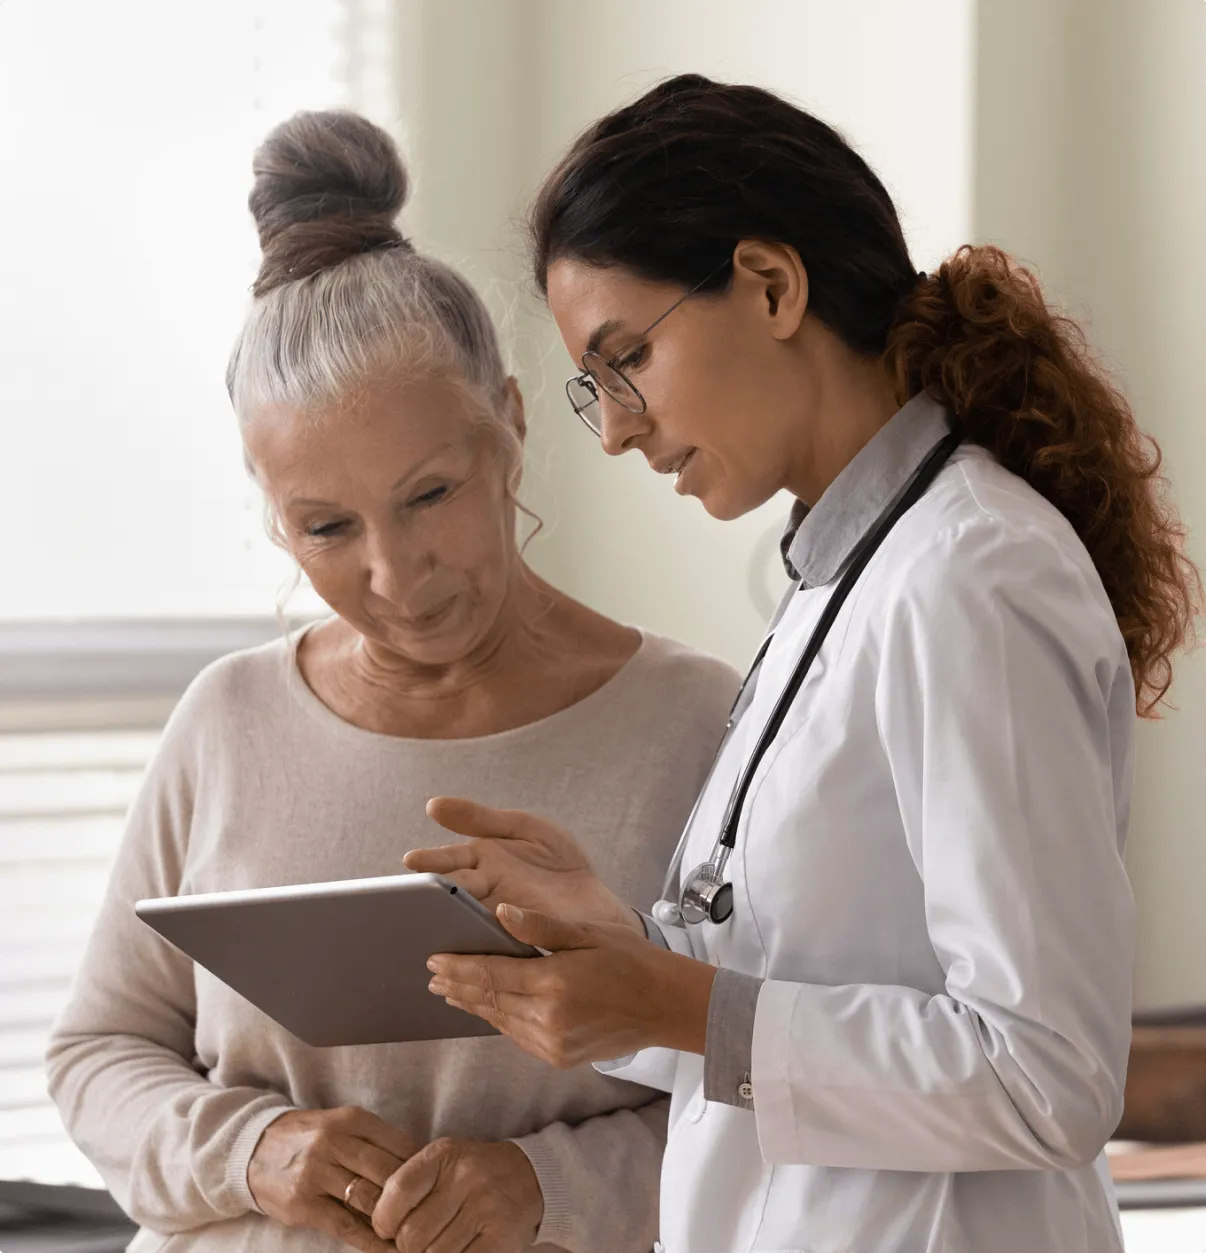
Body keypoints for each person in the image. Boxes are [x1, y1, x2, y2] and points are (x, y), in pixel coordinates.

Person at [404, 75, 1203, 1253]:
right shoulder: (844, 572)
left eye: (626, 359)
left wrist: (682, 1001)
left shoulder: (971, 576)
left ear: (771, 286)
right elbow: (811, 974)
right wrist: (623, 951)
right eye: (594, 388)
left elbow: (1048, 1072)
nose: (616, 427)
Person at [45, 110, 740, 1253]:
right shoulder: (226, 721)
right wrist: (251, 1153)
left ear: (511, 425)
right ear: (275, 521)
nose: (394, 574)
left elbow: (764, 1084)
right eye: (325, 526)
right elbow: (98, 1053)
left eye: (430, 496)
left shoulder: (696, 723)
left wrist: (543, 1183)